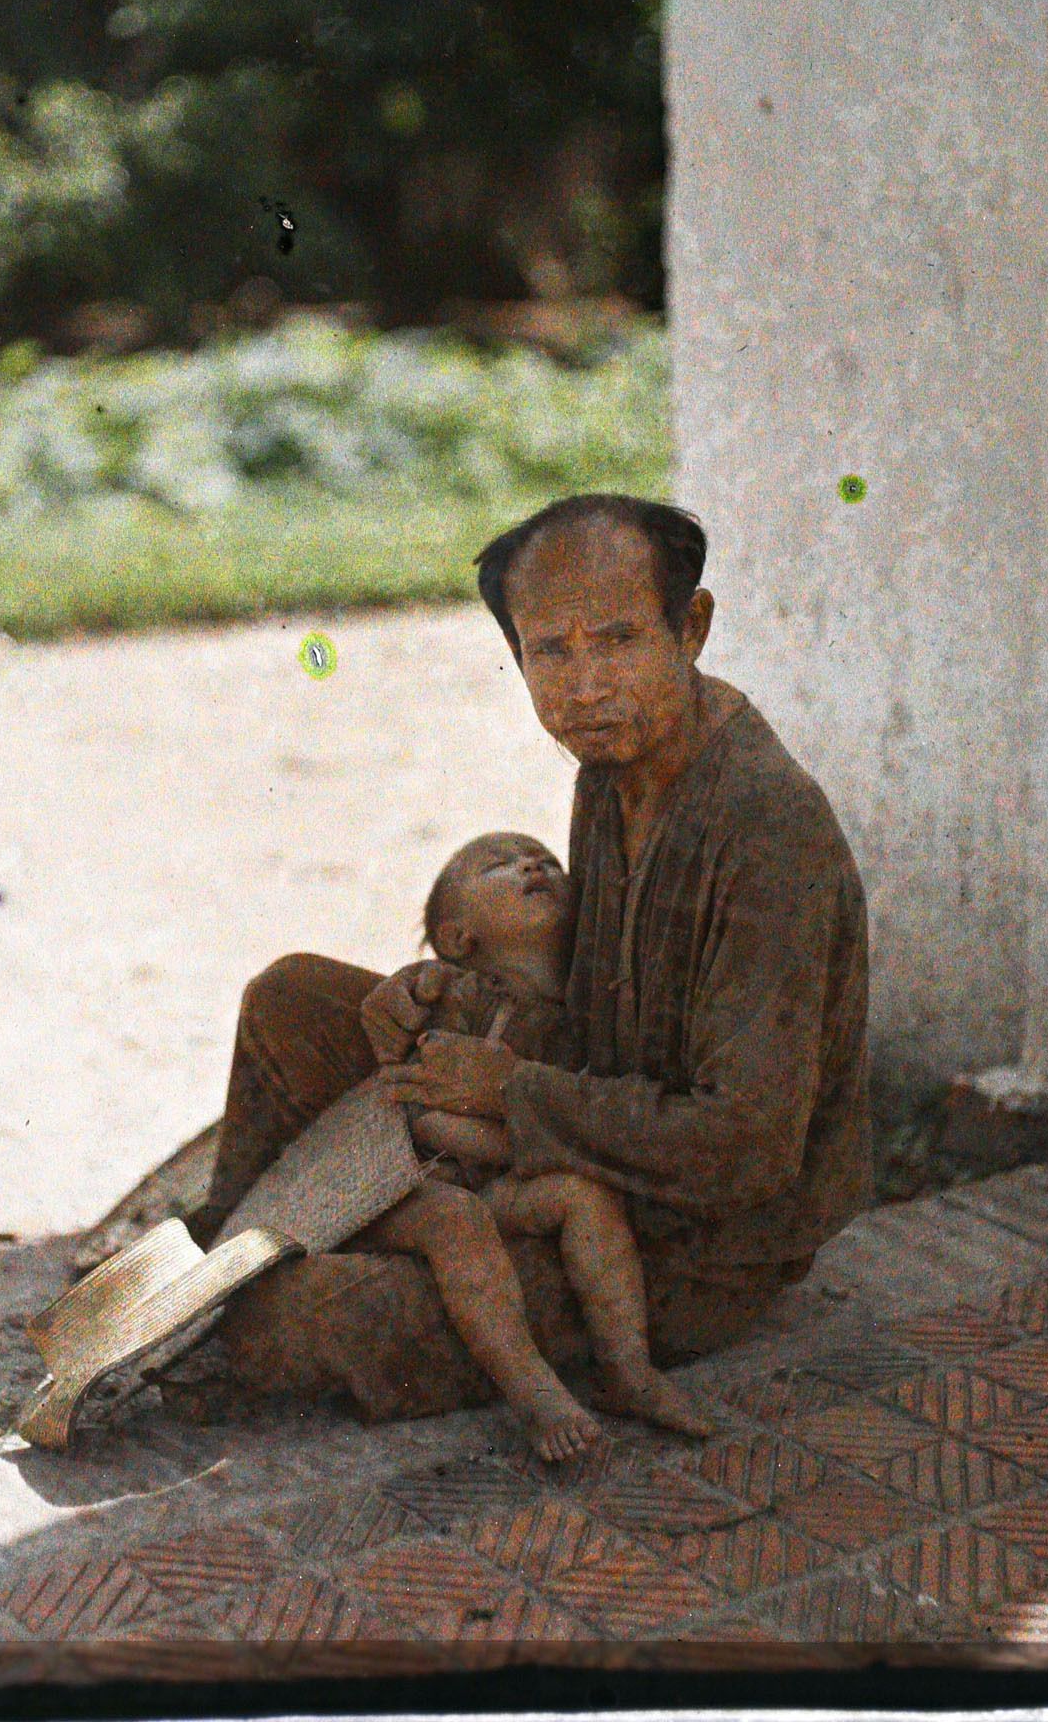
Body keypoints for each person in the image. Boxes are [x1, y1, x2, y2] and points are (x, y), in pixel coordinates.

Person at [197, 493, 873, 1425]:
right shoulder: (613, 765)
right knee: (292, 998)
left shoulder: (765, 828)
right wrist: (445, 996)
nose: (584, 687)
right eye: (550, 651)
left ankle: (258, 1277)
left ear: (691, 629)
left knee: (320, 1313)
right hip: (581, 1126)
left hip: (690, 1241)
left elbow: (744, 1150)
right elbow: (585, 1003)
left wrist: (509, 1093)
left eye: (618, 640)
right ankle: (222, 1248)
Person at [357, 831, 713, 1459]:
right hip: (405, 1183)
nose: (532, 865)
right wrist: (523, 1142)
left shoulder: (584, 1016)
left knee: (583, 1195)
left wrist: (535, 1145)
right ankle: (536, 1396)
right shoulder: (455, 996)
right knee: (456, 1220)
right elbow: (418, 1115)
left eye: (547, 860)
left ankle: (627, 1369)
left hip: (497, 1178)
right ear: (459, 937)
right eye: (501, 865)